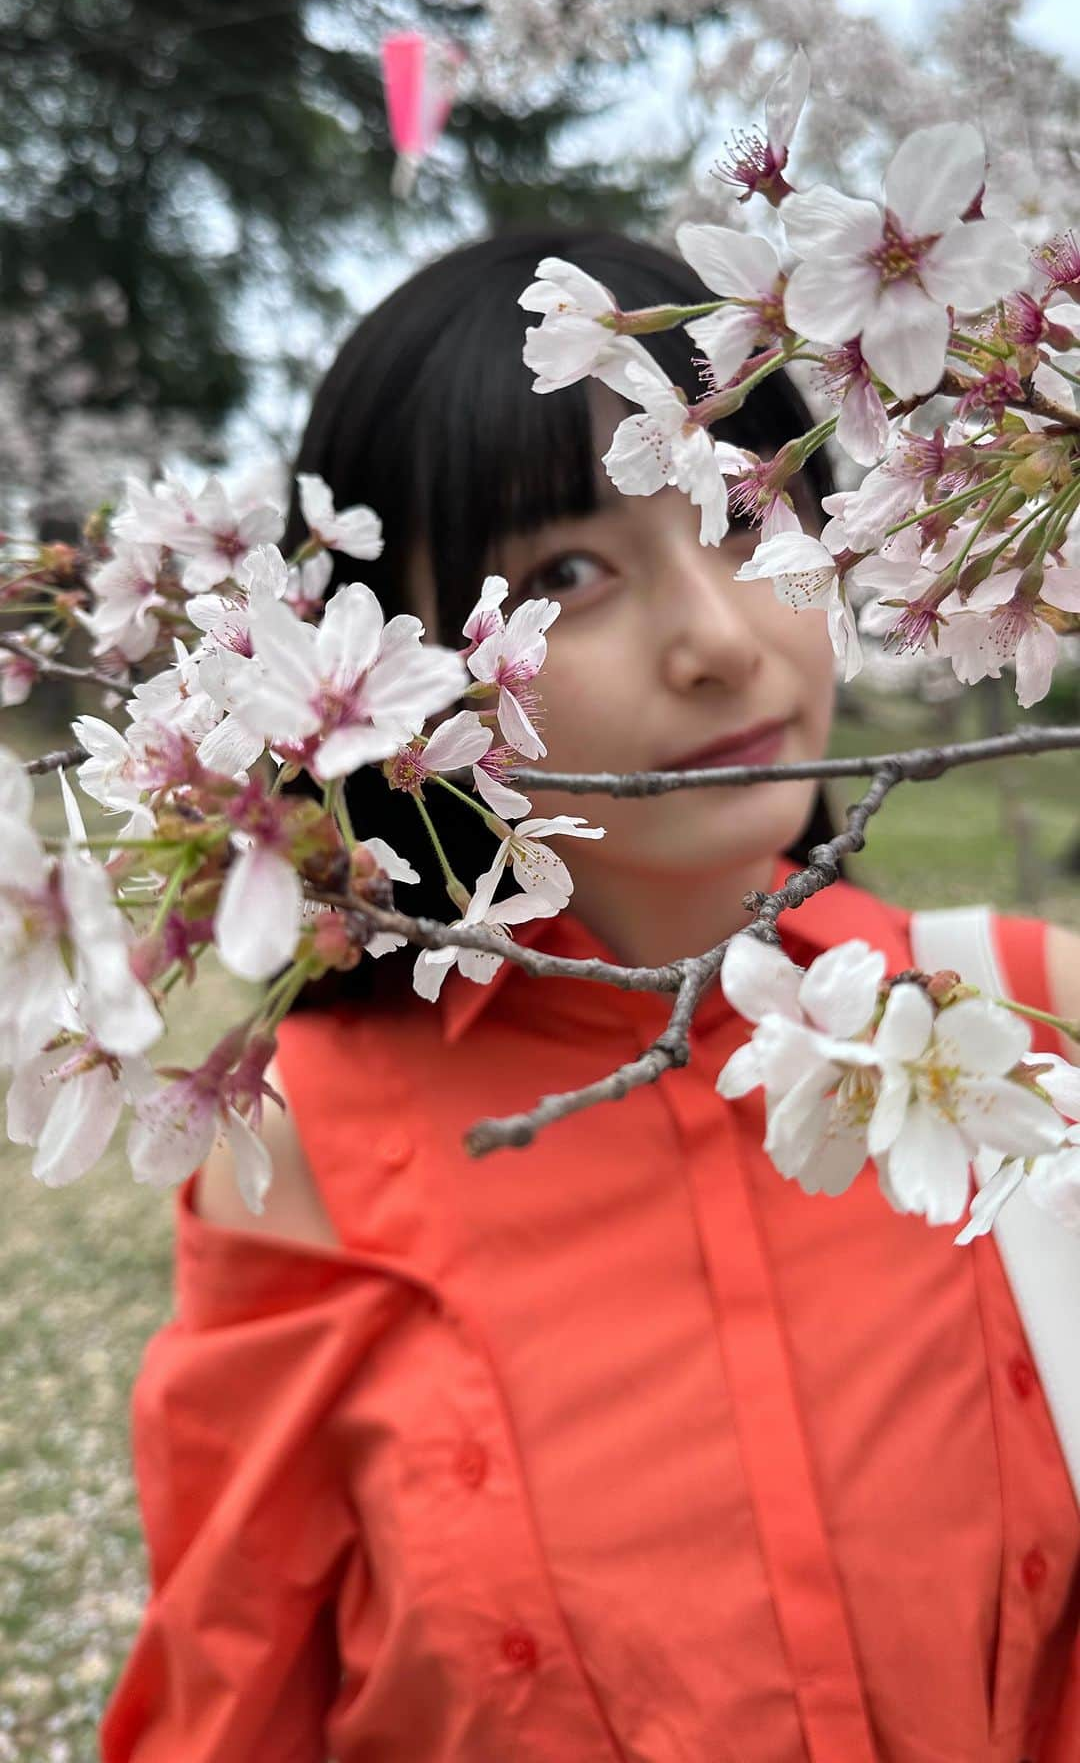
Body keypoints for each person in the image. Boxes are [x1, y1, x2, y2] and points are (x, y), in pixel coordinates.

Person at [101, 229, 1080, 1763]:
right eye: (566, 574)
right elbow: (241, 1701)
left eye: (750, 515)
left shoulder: (1029, 1020)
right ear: (400, 678)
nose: (719, 640)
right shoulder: (305, 1152)